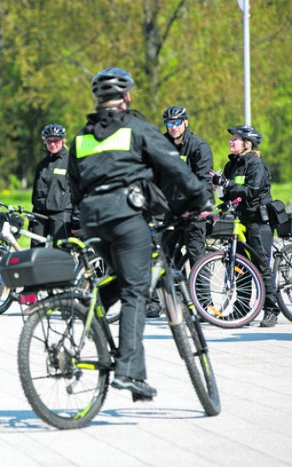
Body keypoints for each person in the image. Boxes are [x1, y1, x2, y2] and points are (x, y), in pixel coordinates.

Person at [67, 68, 211, 399]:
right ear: (127, 96)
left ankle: (90, 311)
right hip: (125, 216)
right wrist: (201, 198)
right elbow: (175, 166)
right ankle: (126, 371)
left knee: (124, 277)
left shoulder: (81, 137)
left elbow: (73, 184)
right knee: (135, 290)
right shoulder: (137, 127)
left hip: (91, 220)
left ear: (98, 101)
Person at [212, 124, 280, 327]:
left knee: (261, 266)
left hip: (258, 221)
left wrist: (226, 184)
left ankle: (271, 310)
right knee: (239, 266)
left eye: (235, 139)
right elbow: (229, 194)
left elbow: (252, 191)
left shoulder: (256, 165)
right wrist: (219, 191)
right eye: (231, 138)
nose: (231, 141)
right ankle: (242, 311)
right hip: (239, 221)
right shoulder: (231, 164)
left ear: (247, 144)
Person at [160, 105, 214, 266]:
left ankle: (201, 292)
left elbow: (204, 180)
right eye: (169, 124)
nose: (173, 128)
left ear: (186, 123)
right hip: (170, 210)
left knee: (196, 255)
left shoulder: (198, 146)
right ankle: (176, 290)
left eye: (177, 123)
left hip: (194, 209)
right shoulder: (161, 145)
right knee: (166, 255)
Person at [30, 124, 73, 246]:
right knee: (35, 251)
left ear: (63, 140)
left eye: (56, 140)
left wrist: (76, 219)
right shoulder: (42, 164)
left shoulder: (70, 162)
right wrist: (32, 219)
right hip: (40, 214)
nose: (52, 144)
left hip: (61, 214)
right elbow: (36, 193)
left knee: (60, 252)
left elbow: (77, 191)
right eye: (49, 141)